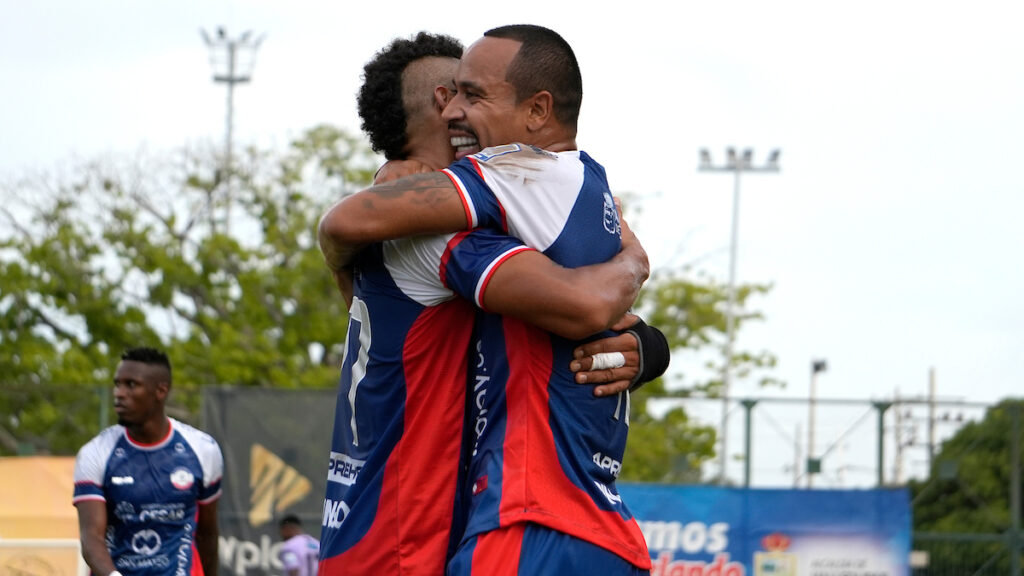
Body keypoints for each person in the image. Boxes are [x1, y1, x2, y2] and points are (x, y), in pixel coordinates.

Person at [319, 25, 657, 575]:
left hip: (430, 528)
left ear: (537, 108)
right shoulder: (443, 231)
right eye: (456, 94)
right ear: (438, 103)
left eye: (473, 95)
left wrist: (645, 345)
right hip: (410, 540)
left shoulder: (506, 195)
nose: (459, 111)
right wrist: (634, 262)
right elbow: (583, 304)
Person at [73, 347, 223, 576]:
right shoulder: (95, 453)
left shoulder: (203, 450)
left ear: (161, 391)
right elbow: (91, 538)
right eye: (117, 384)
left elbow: (207, 534)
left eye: (131, 385)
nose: (119, 393)